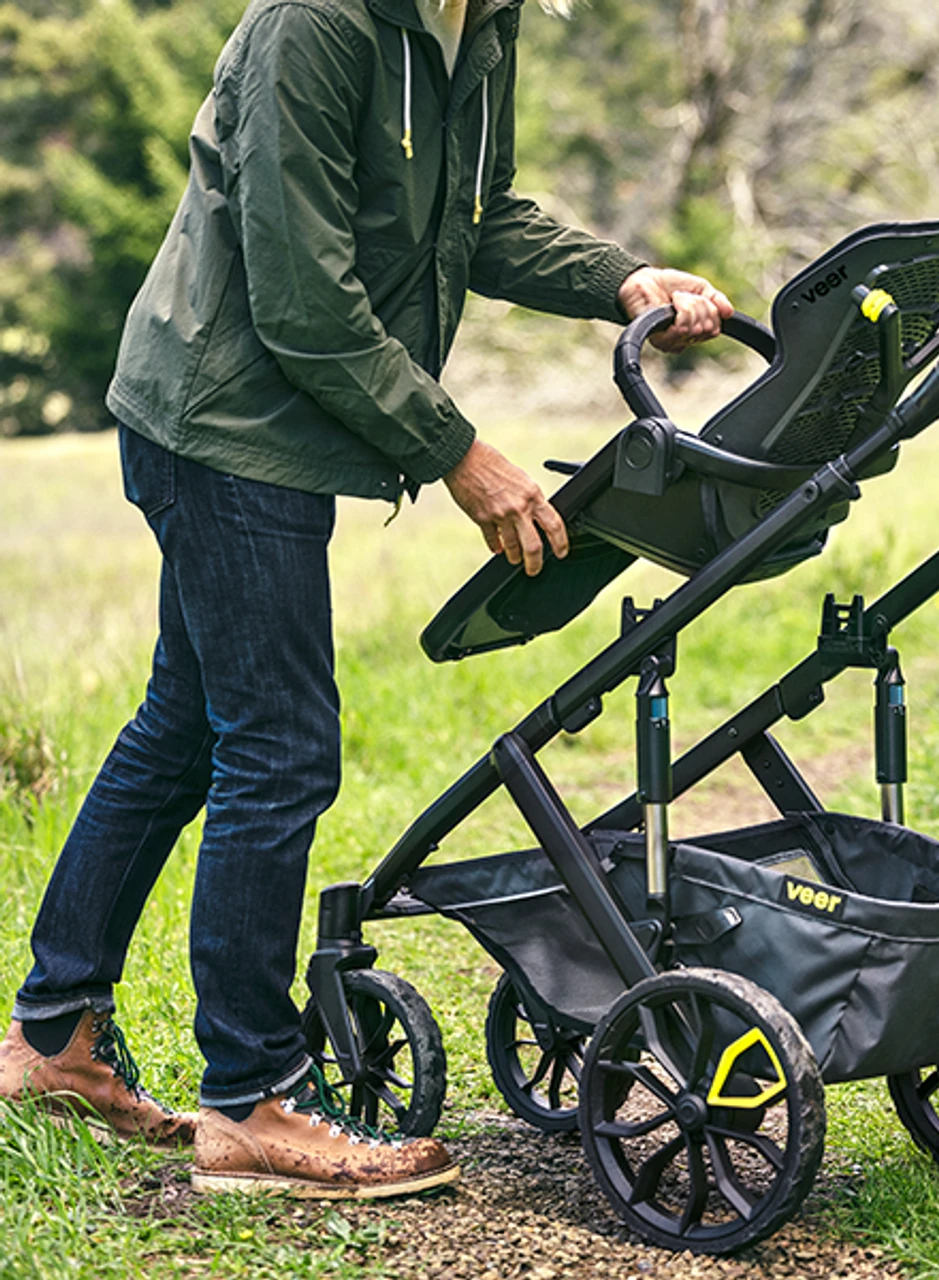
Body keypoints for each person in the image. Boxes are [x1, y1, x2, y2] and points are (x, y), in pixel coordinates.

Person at [0, 0, 731, 1200]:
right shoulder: (318, 26)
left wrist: (616, 278)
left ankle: (52, 1038)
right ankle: (248, 1099)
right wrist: (458, 451)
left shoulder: (478, 26)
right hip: (224, 424)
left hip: (268, 430)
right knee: (280, 745)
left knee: (186, 729)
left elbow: (473, 221)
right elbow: (302, 293)